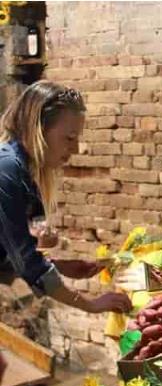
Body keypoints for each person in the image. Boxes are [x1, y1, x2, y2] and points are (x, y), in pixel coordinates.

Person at [0, 80, 132, 315]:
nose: (76, 149)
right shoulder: (6, 170)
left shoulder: (23, 172)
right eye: (70, 138)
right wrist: (89, 304)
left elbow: (9, 255)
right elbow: (27, 263)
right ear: (38, 129)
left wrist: (60, 266)